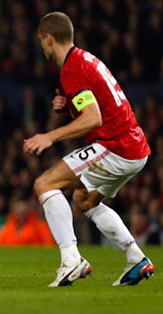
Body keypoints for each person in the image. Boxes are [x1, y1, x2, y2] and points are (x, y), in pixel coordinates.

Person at [24, 12, 154, 287]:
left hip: (116, 145)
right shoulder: (85, 59)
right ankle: (136, 259)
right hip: (133, 146)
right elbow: (96, 106)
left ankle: (71, 261)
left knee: (45, 183)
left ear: (48, 38)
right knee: (84, 200)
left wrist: (51, 136)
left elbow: (93, 118)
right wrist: (69, 105)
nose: (42, 47)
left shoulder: (71, 70)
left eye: (41, 41)